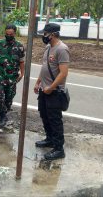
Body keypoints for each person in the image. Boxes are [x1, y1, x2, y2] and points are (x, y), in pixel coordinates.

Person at [34, 23, 69, 160]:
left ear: (52, 34)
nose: (43, 36)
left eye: (45, 34)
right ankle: (50, 139)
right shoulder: (48, 47)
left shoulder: (62, 49)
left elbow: (63, 73)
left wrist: (51, 87)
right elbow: (45, 68)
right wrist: (38, 82)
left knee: (55, 120)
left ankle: (59, 149)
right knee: (44, 115)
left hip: (54, 92)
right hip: (44, 89)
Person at [0, 24, 25, 127]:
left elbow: (21, 61)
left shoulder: (19, 46)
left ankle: (5, 113)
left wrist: (22, 73)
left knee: (9, 98)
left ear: (14, 33)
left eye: (11, 34)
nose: (8, 35)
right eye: (7, 34)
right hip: (1, 76)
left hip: (12, 77)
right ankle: (1, 115)